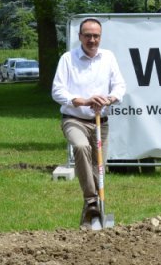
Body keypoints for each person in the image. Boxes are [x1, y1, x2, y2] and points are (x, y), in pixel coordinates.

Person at [51, 18, 126, 229]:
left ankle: (93, 211)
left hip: (101, 121)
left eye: (96, 36)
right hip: (74, 119)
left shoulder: (108, 57)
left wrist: (108, 99)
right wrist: (82, 100)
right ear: (80, 37)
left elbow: (119, 86)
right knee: (81, 146)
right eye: (88, 36)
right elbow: (57, 90)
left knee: (98, 169)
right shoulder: (68, 59)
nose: (92, 40)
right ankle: (91, 200)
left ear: (100, 37)